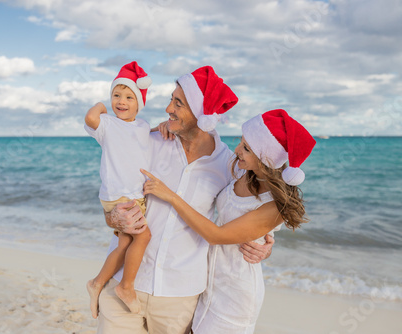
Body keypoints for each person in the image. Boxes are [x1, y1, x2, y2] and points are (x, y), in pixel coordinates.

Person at [96, 66, 277, 334]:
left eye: (178, 103)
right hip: (125, 283)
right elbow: (113, 189)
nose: (168, 108)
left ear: (202, 115)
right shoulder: (149, 141)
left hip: (180, 296)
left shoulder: (228, 163)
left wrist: (266, 242)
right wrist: (112, 217)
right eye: (171, 99)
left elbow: (246, 208)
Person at [142, 109, 316, 333]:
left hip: (236, 293)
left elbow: (217, 236)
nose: (237, 150)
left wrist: (171, 196)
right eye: (241, 143)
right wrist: (167, 127)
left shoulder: (273, 207)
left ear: (267, 160)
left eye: (246, 148)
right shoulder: (242, 172)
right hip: (208, 282)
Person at [84, 61, 153, 318]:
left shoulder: (142, 126)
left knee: (125, 243)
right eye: (116, 95)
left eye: (128, 96)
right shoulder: (108, 125)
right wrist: (102, 106)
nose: (121, 102)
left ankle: (96, 283)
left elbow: (148, 136)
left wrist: (164, 128)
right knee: (143, 237)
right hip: (119, 195)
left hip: (133, 195)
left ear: (139, 103)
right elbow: (91, 118)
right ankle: (126, 287)